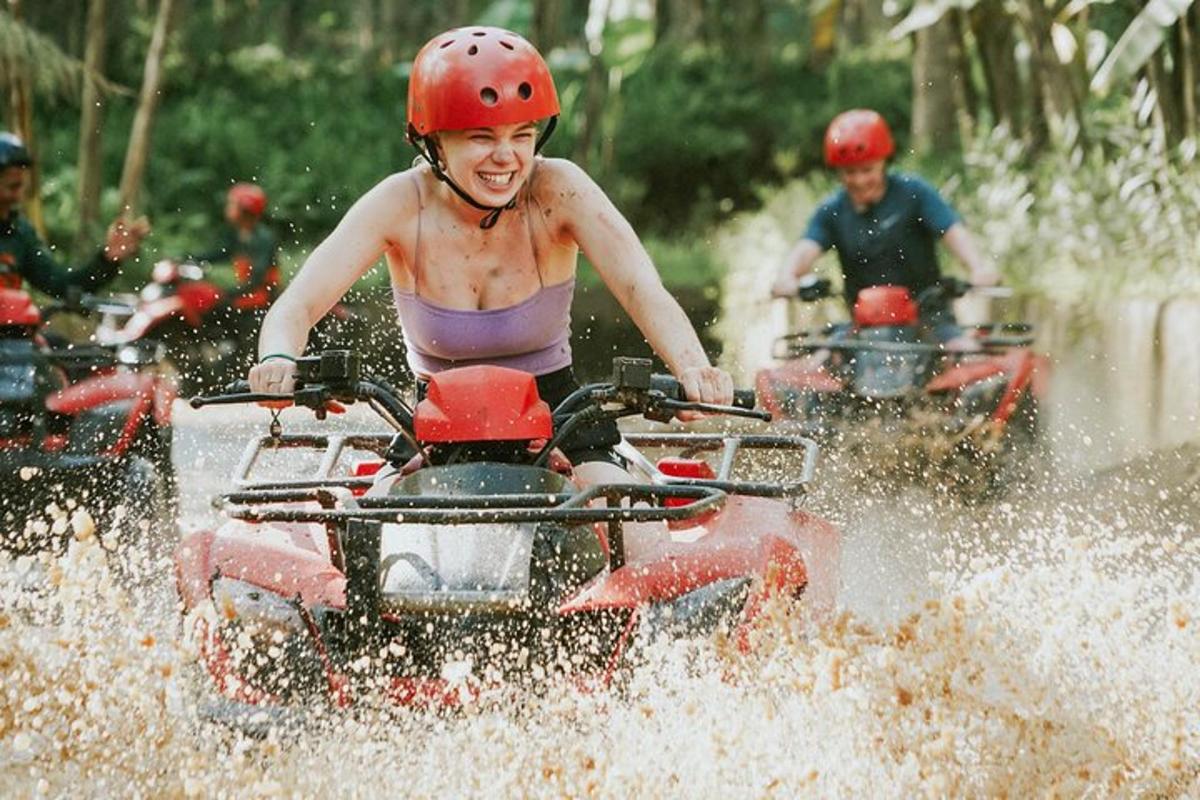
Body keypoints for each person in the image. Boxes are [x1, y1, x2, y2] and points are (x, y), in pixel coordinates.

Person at [249, 27, 732, 492]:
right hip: (437, 423)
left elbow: (639, 287)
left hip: (561, 411)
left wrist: (693, 369)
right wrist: (277, 360)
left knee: (620, 511)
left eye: (522, 135)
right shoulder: (400, 203)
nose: (507, 158)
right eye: (482, 137)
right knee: (367, 531)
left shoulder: (558, 188)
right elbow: (298, 306)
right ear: (434, 143)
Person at [770, 109, 998, 343]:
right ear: (838, 171)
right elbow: (807, 247)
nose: (859, 180)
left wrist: (977, 267)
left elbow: (952, 230)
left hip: (928, 319)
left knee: (963, 354)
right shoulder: (832, 210)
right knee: (818, 362)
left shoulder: (914, 193)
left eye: (867, 170)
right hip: (864, 325)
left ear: (883, 163)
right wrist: (787, 277)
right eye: (850, 172)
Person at [0, 132, 149, 297]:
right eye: (12, 187)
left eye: (20, 186)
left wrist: (108, 258)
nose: (18, 196)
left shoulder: (20, 234)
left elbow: (62, 285)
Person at [188, 182, 279, 311]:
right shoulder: (237, 234)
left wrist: (229, 293)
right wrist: (190, 258)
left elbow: (257, 277)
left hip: (261, 299)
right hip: (246, 293)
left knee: (216, 310)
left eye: (232, 204)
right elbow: (220, 253)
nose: (228, 208)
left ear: (245, 209)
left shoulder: (263, 238)